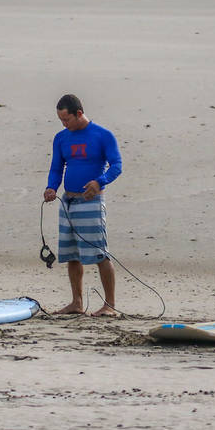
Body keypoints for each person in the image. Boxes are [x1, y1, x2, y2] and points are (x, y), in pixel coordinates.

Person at [44, 94, 123, 316]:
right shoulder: (61, 138)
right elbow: (57, 168)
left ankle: (110, 305)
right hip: (68, 201)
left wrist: (100, 182)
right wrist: (51, 187)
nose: (64, 124)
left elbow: (116, 165)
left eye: (66, 120)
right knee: (71, 255)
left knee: (100, 254)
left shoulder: (102, 135)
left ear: (79, 113)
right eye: (61, 120)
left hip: (91, 202)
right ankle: (77, 303)